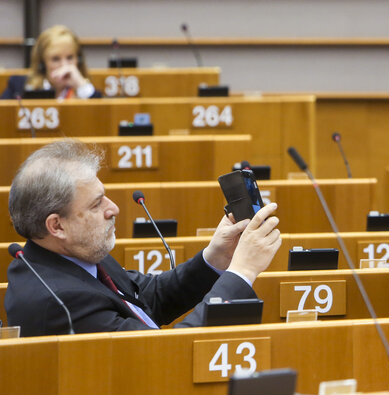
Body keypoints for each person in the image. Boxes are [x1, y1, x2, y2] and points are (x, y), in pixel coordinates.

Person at [5, 139, 283, 336]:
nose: (113, 209)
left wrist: (216, 258)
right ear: (57, 226)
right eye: (96, 204)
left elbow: (149, 299)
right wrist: (241, 273)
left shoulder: (74, 254)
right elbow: (160, 355)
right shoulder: (59, 302)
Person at [0, 25, 102, 100]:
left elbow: (104, 119)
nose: (64, 65)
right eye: (56, 59)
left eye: (70, 57)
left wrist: (81, 86)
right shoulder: (18, 87)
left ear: (78, 60)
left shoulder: (86, 91)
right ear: (42, 62)